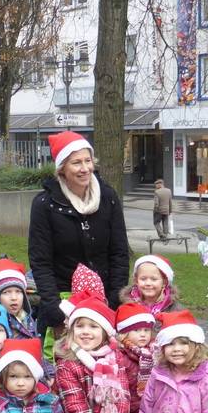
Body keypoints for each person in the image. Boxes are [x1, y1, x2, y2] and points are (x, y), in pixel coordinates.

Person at [29, 131, 130, 340]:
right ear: (62, 168)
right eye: (76, 163)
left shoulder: (108, 197)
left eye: (88, 160)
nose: (85, 168)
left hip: (104, 301)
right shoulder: (44, 205)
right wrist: (55, 312)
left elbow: (119, 253)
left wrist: (113, 300)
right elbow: (41, 262)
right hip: (64, 300)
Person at [115, 302, 157, 413]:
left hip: (150, 411)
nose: (143, 334)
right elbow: (116, 388)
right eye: (137, 330)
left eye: (146, 330)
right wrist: (122, 411)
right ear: (125, 333)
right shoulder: (120, 356)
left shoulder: (155, 353)